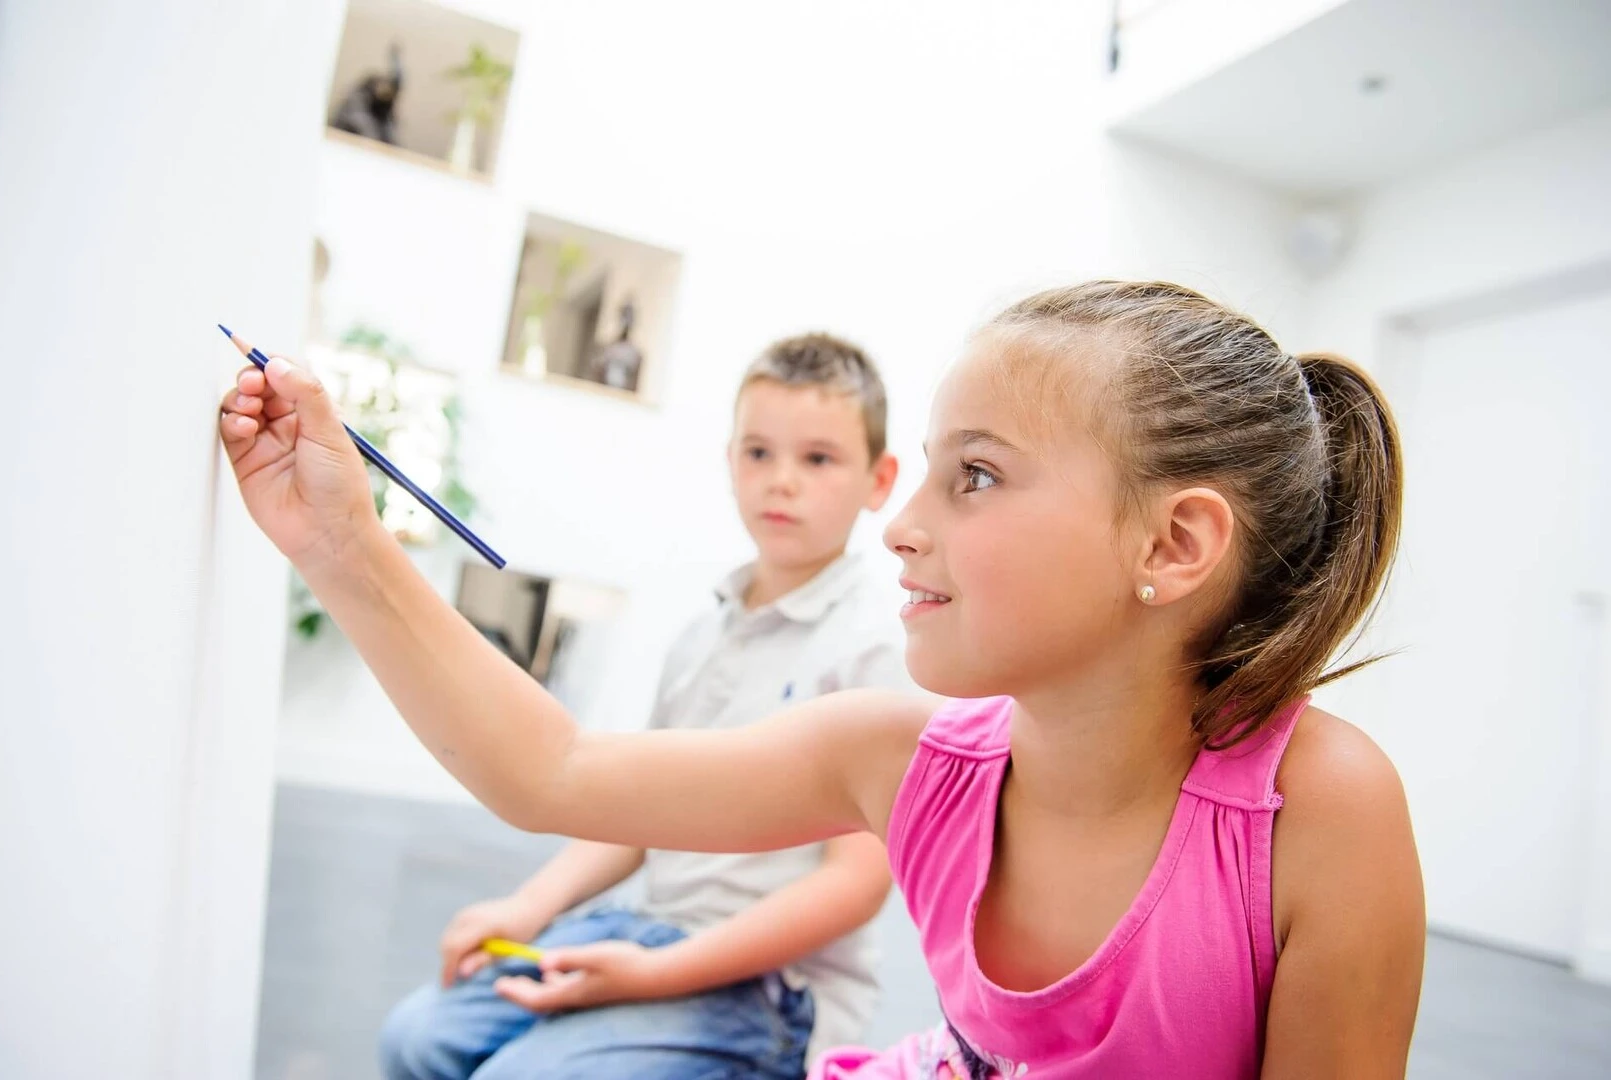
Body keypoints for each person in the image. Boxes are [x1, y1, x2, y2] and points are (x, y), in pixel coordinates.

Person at [219, 280, 1426, 1078]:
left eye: (978, 478)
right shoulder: (911, 757)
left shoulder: (1321, 810)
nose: (899, 527)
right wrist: (341, 539)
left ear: (1170, 546)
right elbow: (557, 772)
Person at [376, 333, 907, 1078]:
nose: (781, 480)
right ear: (729, 461)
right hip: (646, 927)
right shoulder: (701, 635)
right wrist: (527, 907)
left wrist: (653, 976)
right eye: (758, 452)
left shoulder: (875, 648)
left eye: (817, 459)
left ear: (877, 480)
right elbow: (633, 812)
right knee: (416, 1038)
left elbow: (852, 884)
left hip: (770, 987)